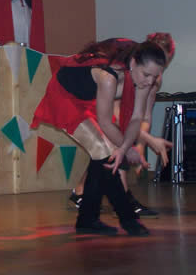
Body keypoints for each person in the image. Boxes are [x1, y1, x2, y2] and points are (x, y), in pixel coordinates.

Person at [31, 39, 168, 236]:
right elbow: (105, 123)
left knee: (103, 155)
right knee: (104, 151)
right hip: (65, 97)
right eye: (146, 74)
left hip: (89, 99)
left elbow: (136, 118)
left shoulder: (143, 80)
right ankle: (128, 219)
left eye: (154, 77)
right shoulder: (108, 78)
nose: (149, 81)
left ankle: (87, 219)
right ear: (133, 63)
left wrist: (125, 147)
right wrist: (126, 149)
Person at [69, 33, 175, 217]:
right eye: (150, 71)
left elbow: (144, 117)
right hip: (94, 103)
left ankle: (81, 192)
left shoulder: (151, 79)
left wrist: (140, 146)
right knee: (115, 144)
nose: (153, 77)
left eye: (161, 67)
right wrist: (136, 144)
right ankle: (123, 199)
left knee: (111, 148)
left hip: (112, 112)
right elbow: (116, 119)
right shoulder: (121, 73)